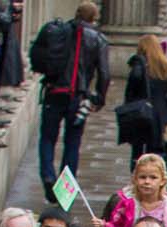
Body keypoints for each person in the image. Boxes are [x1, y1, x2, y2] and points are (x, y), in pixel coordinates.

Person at [34, 2, 109, 201]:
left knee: (48, 138)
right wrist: (99, 98)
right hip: (78, 96)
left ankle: (48, 175)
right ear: (94, 18)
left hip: (54, 91)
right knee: (72, 143)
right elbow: (104, 72)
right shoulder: (98, 39)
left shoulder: (58, 31)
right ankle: (65, 190)